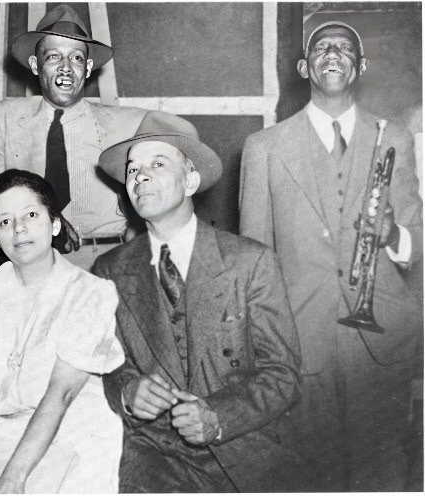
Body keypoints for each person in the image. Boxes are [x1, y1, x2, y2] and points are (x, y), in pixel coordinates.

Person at [239, 20, 423, 491]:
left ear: (360, 66)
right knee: (308, 476)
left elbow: (417, 240)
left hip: (381, 344)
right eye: (322, 47)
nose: (334, 54)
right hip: (301, 340)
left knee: (383, 476)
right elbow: (254, 261)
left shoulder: (395, 138)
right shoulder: (263, 147)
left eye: (345, 48)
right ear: (305, 67)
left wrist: (393, 233)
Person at [93, 111, 304, 492]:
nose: (139, 177)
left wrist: (219, 416)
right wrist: (127, 393)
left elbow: (282, 375)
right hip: (154, 457)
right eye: (132, 169)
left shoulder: (250, 262)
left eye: (157, 164)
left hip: (244, 448)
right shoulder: (109, 270)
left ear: (190, 180)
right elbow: (105, 366)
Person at [0, 169, 125, 494]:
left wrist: (13, 478)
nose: (19, 228)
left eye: (31, 214)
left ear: (55, 224)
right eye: (5, 221)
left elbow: (61, 394)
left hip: (69, 436)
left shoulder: (90, 294)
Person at [0, 4, 146, 273]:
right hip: (28, 265)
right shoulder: (4, 119)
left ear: (89, 67)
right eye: (54, 57)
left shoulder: (126, 124)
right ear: (35, 65)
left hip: (106, 262)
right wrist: (33, 223)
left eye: (77, 58)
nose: (66, 68)